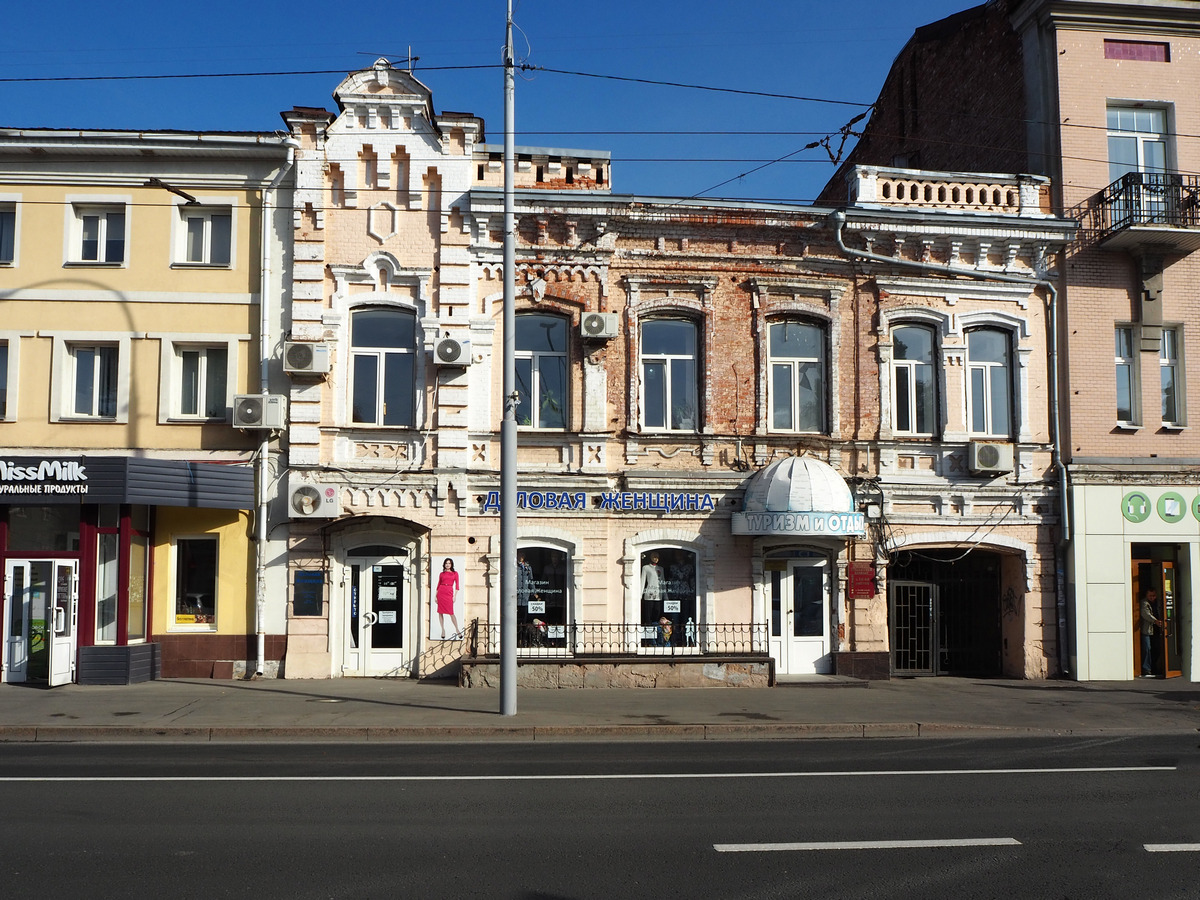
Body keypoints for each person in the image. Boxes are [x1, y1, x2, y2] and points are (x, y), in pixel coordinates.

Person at [436, 558, 461, 640]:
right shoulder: (441, 574)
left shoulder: (455, 573)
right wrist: (436, 596)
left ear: (451, 564)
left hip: (449, 592)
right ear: (444, 564)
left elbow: (457, 585)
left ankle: (457, 629)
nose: (447, 565)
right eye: (446, 563)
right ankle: (443, 630)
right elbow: (438, 584)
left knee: (451, 612)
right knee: (440, 612)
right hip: (441, 592)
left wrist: (455, 596)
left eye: (449, 563)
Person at [1139, 588, 1163, 677]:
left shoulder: (1159, 602)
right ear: (1146, 595)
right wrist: (1156, 621)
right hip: (1147, 629)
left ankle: (1154, 667)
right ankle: (1146, 669)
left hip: (1156, 630)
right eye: (1150, 596)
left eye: (1154, 596)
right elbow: (1145, 614)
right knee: (1147, 649)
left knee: (1157, 649)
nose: (1152, 598)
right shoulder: (1144, 603)